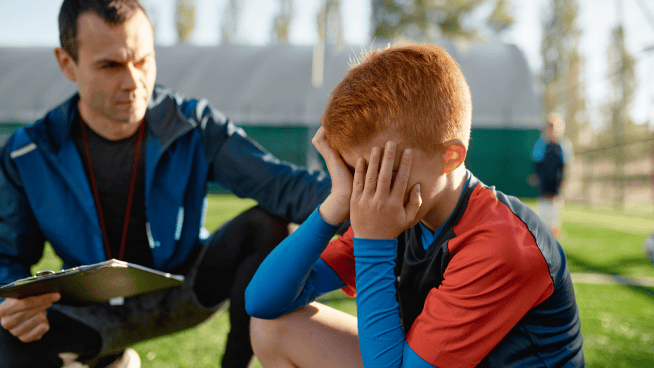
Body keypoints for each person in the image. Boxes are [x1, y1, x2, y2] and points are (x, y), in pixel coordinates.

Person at [0, 1, 331, 367]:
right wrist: (12, 304)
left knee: (267, 225)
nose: (133, 81)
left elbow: (283, 186)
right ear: (67, 64)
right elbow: (7, 258)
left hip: (186, 289)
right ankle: (107, 359)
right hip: (89, 310)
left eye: (142, 60)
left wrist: (363, 201)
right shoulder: (27, 153)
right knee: (5, 336)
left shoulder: (192, 124)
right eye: (110, 65)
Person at [245, 43, 584, 367]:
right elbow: (262, 301)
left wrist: (373, 246)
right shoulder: (399, 209)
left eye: (382, 171)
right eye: (355, 171)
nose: (367, 190)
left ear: (449, 157)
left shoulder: (502, 244)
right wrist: (336, 203)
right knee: (272, 329)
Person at [531, 112, 573, 237]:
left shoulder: (564, 144)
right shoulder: (541, 143)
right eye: (550, 126)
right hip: (544, 177)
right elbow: (537, 161)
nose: (552, 129)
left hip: (557, 178)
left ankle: (555, 227)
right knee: (544, 202)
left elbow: (566, 163)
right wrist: (535, 174)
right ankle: (543, 228)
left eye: (554, 126)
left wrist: (564, 178)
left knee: (556, 202)